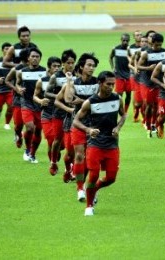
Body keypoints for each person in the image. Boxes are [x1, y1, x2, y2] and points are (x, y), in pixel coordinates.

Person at [72, 71, 127, 216]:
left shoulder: (117, 99)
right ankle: (89, 206)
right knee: (94, 174)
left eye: (113, 84)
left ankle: (94, 189)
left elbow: (124, 114)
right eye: (108, 84)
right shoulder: (90, 102)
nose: (111, 87)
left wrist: (118, 127)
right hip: (95, 145)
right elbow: (76, 121)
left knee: (111, 178)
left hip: (112, 145)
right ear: (100, 83)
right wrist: (88, 130)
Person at [64, 53, 99, 202]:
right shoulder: (74, 83)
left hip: (95, 126)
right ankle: (80, 188)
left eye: (93, 66)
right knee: (79, 155)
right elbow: (68, 99)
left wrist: (82, 101)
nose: (92, 68)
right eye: (89, 65)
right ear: (81, 67)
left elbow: (98, 102)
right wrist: (69, 81)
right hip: (78, 124)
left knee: (91, 159)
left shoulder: (99, 82)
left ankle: (86, 184)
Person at [45, 49, 77, 176]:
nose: (71, 65)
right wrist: (60, 96)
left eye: (73, 62)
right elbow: (46, 93)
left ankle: (71, 168)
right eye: (68, 63)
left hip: (72, 114)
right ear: (63, 63)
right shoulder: (55, 77)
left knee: (73, 144)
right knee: (57, 140)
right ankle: (53, 162)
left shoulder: (77, 76)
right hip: (58, 112)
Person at [15, 47, 46, 163]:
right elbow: (17, 84)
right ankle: (27, 149)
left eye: (37, 57)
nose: (35, 59)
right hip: (26, 102)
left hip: (39, 104)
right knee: (30, 127)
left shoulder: (44, 72)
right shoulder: (22, 72)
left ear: (40, 59)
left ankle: (32, 153)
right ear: (28, 58)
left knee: (38, 131)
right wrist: (18, 89)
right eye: (32, 56)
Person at [33, 56, 62, 168]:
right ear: (49, 67)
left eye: (59, 66)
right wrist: (40, 100)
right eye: (54, 66)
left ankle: (57, 150)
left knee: (60, 142)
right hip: (47, 114)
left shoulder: (63, 80)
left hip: (61, 114)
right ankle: (53, 164)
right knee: (51, 139)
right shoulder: (42, 81)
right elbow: (35, 95)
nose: (57, 68)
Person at [137, 33, 165, 138]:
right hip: (148, 83)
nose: (158, 47)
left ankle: (154, 124)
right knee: (149, 105)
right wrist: (148, 68)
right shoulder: (146, 53)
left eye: (160, 44)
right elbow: (139, 66)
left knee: (158, 106)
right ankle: (148, 124)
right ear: (152, 43)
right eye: (156, 45)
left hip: (160, 82)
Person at [4, 48, 29, 148]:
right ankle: (18, 135)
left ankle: (29, 148)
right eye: (31, 56)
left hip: (32, 101)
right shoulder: (16, 69)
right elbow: (7, 80)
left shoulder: (38, 70)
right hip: (18, 100)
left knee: (31, 126)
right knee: (18, 125)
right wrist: (16, 89)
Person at [109, 33, 131, 113]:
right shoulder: (115, 49)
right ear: (121, 40)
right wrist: (113, 67)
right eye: (123, 40)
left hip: (128, 75)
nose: (125, 42)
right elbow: (110, 57)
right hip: (119, 75)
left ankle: (126, 111)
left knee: (128, 94)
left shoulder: (130, 50)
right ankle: (118, 110)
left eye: (127, 41)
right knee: (119, 95)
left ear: (129, 41)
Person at [129, 35, 148, 123]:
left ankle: (146, 120)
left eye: (146, 41)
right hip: (138, 79)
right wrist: (135, 69)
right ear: (140, 43)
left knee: (146, 101)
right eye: (142, 41)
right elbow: (129, 64)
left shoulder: (150, 53)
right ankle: (136, 111)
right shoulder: (137, 53)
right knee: (138, 103)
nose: (144, 43)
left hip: (147, 80)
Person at [0, 42, 13, 130]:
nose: (8, 50)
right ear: (2, 50)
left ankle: (7, 123)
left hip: (10, 89)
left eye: (10, 49)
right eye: (6, 48)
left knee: (11, 106)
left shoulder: (14, 62)